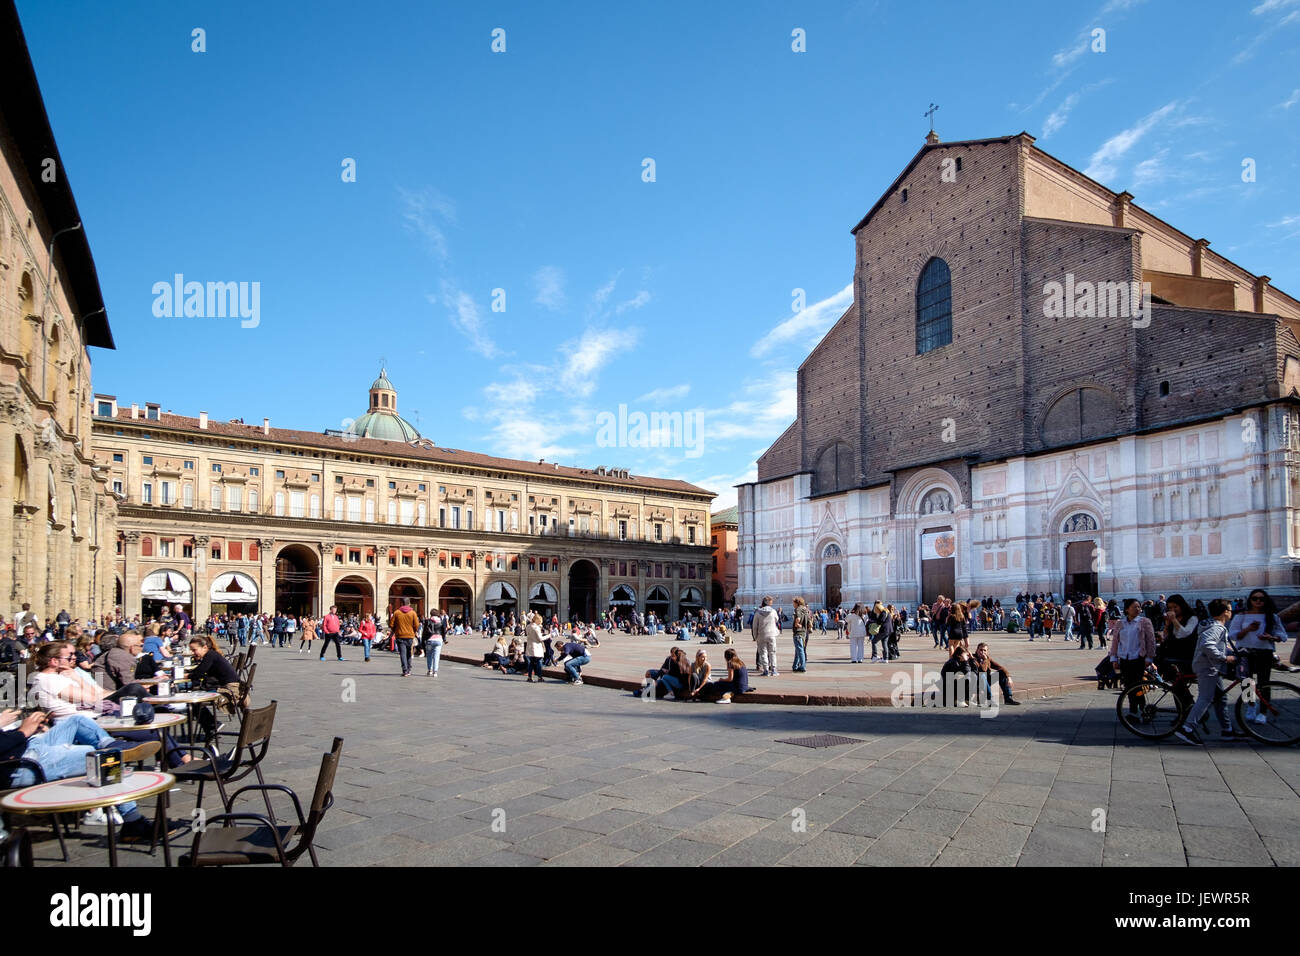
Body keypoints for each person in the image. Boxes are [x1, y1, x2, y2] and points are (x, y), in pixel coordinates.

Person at [0, 707, 155, 838]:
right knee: (95, 758)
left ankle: (114, 745)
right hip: (19, 764)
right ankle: (133, 822)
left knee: (77, 721)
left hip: (26, 745)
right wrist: (22, 731)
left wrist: (22, 728)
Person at [1176, 599, 1239, 745]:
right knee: (1205, 698)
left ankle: (1227, 730)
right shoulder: (1216, 627)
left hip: (1209, 665)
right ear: (1225, 612)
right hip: (1207, 666)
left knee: (1220, 698)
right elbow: (1207, 645)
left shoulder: (1210, 624)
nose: (1231, 612)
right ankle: (1187, 729)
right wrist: (1224, 657)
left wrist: (1230, 651)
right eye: (1230, 609)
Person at [1227, 588, 1288, 726]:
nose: (1258, 601)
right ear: (1250, 600)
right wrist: (1248, 629)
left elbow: (1282, 635)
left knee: (1264, 683)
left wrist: (1271, 637)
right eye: (1255, 598)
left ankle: (1263, 712)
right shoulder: (1241, 616)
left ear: (1266, 601)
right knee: (1246, 681)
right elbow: (1232, 635)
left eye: (1261, 599)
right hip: (1244, 652)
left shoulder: (1272, 617)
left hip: (1264, 652)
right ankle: (1251, 706)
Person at [1108, 598, 1157, 712]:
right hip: (1124, 658)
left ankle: (1143, 709)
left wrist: (1150, 657)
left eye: (1139, 607)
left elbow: (1151, 641)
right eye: (1134, 607)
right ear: (1127, 609)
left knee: (1137, 685)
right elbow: (1116, 642)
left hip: (1139, 658)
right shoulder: (1121, 623)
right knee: (1128, 687)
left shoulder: (1145, 622)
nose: (1138, 609)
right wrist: (1114, 658)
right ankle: (1133, 710)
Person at [751, 595, 780, 677]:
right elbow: (777, 619)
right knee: (772, 652)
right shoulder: (773, 611)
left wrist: (755, 636)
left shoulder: (757, 612)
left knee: (763, 653)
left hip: (761, 635)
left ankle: (766, 670)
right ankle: (774, 670)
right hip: (771, 634)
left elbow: (754, 626)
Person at [389, 602, 420, 677]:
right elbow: (416, 625)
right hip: (410, 636)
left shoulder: (397, 612)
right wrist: (414, 631)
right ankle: (409, 669)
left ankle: (405, 670)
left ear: (402, 603)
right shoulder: (413, 613)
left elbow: (391, 624)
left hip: (400, 635)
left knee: (402, 653)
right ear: (409, 604)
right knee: (409, 652)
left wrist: (395, 630)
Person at [791, 597, 812, 673]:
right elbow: (809, 621)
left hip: (798, 632)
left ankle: (802, 666)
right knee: (798, 649)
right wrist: (809, 628)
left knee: (800, 650)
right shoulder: (805, 609)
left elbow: (798, 618)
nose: (793, 604)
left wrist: (797, 624)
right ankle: (795, 666)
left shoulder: (798, 609)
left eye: (793, 603)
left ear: (797, 603)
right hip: (804, 632)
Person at [424, 612, 446, 678]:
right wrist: (444, 639)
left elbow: (425, 631)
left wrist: (423, 640)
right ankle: (435, 672)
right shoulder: (441, 621)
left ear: (431, 614)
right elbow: (443, 631)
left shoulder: (428, 621)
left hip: (430, 640)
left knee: (429, 656)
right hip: (439, 640)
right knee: (436, 656)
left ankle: (429, 670)